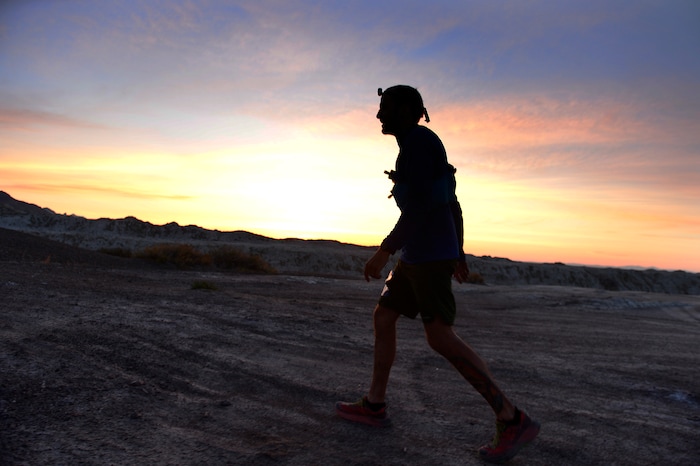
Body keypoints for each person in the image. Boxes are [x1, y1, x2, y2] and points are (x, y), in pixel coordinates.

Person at [335, 85, 540, 463]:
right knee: (384, 316)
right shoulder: (417, 145)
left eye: (386, 108)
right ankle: (375, 404)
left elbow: (423, 208)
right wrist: (458, 252)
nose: (379, 116)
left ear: (408, 111)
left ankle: (511, 418)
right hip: (420, 255)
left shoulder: (419, 144)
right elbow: (452, 202)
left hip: (427, 257)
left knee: (440, 337)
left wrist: (384, 250)